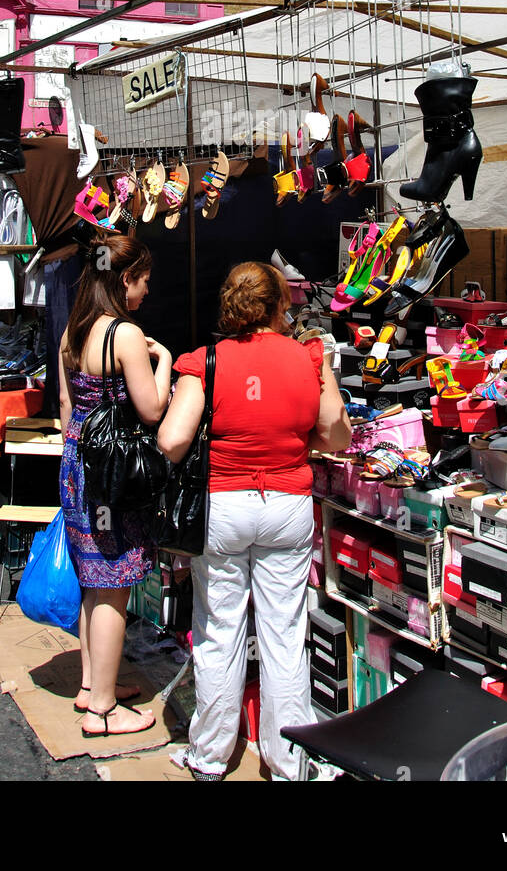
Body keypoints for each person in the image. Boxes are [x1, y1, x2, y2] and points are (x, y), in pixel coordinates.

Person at [159, 261, 351, 781]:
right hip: (286, 504)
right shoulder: (311, 358)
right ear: (279, 305)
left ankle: (209, 755)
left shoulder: (207, 362)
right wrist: (298, 441)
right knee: (284, 633)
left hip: (223, 508)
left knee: (220, 630)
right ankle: (290, 760)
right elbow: (337, 436)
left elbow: (172, 441)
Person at [58, 233, 172, 738]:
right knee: (113, 587)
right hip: (112, 476)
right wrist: (164, 361)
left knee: (93, 579)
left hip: (77, 464)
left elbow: (65, 412)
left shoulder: (72, 332)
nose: (146, 292)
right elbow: (152, 410)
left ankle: (90, 685)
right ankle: (103, 710)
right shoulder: (125, 334)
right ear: (124, 278)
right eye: (143, 282)